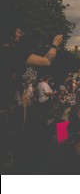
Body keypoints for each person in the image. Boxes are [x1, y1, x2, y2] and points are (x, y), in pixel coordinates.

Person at [0, 18, 62, 172]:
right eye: (17, 30)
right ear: (9, 33)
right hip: (9, 110)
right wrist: (55, 43)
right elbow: (46, 61)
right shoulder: (13, 53)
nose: (20, 33)